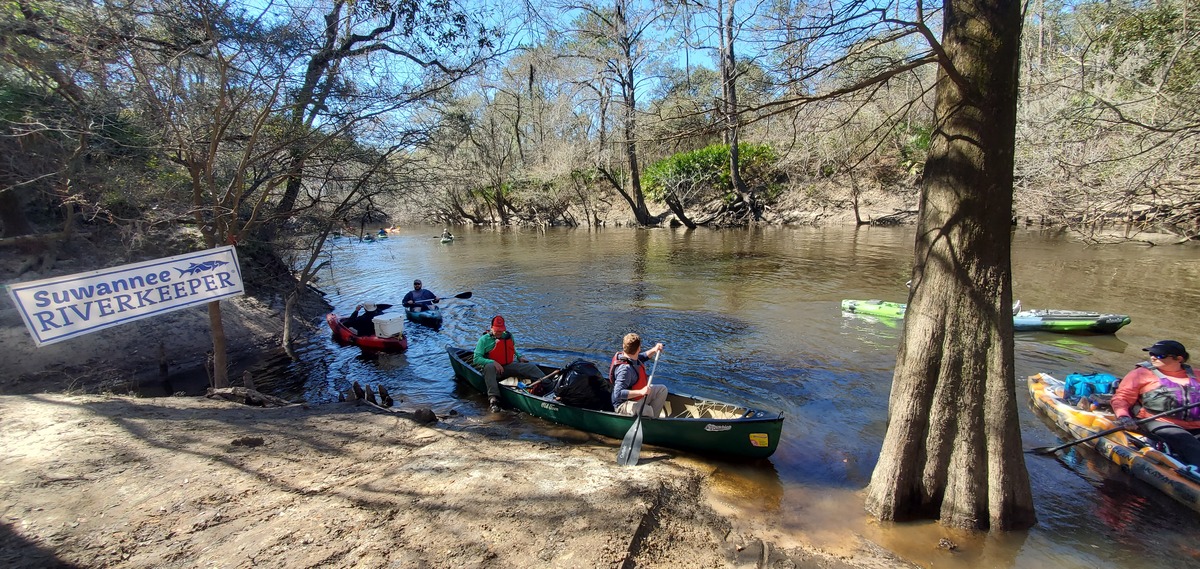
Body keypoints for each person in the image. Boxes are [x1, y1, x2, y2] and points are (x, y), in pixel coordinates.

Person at [1112, 340, 1200, 466]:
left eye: (1160, 355)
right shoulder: (1141, 374)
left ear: (1179, 359)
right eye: (1151, 354)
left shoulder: (1197, 375)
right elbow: (1122, 397)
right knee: (1186, 441)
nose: (1153, 357)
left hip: (1196, 425)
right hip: (1159, 421)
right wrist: (1123, 416)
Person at [473, 315, 544, 412]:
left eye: (501, 330)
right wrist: (493, 362)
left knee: (530, 367)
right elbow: (476, 359)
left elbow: (513, 348)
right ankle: (493, 399)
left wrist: (519, 356)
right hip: (493, 371)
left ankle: (549, 384)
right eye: (497, 330)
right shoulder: (484, 340)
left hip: (508, 366)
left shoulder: (508, 336)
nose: (499, 333)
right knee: (489, 367)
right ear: (491, 328)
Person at [609, 333, 667, 417]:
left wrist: (655, 349)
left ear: (623, 346)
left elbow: (643, 357)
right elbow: (618, 393)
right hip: (623, 405)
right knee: (648, 410)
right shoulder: (625, 370)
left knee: (662, 390)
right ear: (638, 348)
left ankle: (653, 421)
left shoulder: (631, 356)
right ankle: (649, 422)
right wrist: (641, 392)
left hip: (636, 397)